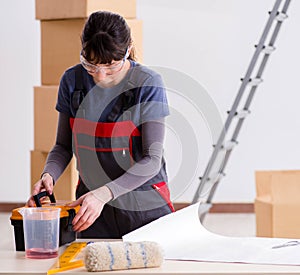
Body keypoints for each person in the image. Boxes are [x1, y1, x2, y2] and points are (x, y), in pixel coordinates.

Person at [27, 11, 174, 238]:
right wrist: (49, 175)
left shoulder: (147, 83)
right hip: (91, 210)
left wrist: (104, 194)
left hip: (144, 207)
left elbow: (151, 159)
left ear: (127, 51)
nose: (100, 75)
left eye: (111, 66)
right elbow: (63, 146)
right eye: (91, 64)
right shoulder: (72, 80)